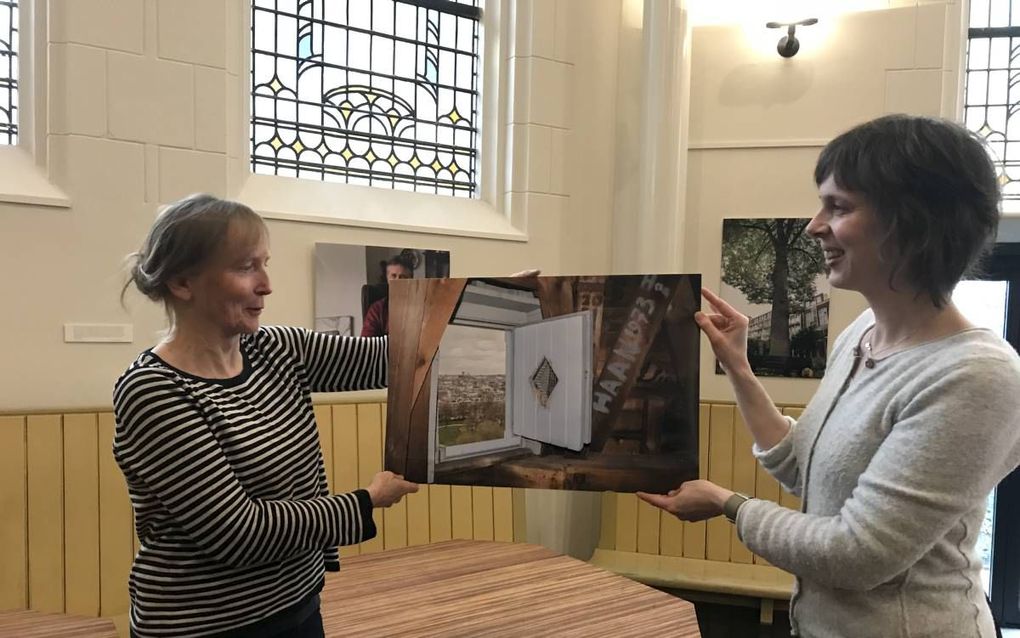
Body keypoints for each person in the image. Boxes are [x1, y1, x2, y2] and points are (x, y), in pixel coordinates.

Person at [638, 115, 1020, 637]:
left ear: (912, 221)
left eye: (838, 207)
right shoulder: (862, 333)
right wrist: (739, 368)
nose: (815, 225)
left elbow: (857, 555)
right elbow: (805, 467)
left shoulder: (977, 377)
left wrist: (728, 504)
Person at [114, 194, 418, 638]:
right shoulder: (155, 389)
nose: (266, 284)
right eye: (245, 267)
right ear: (182, 282)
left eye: (265, 263)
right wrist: (366, 501)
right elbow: (237, 532)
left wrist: (482, 303)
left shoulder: (276, 348)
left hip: (296, 603)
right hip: (206, 625)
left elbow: (398, 360)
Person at [360, 255, 413, 337]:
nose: (397, 281)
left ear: (411, 279)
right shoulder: (377, 309)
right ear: (387, 278)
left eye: (403, 277)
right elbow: (367, 343)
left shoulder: (421, 307)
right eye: (393, 276)